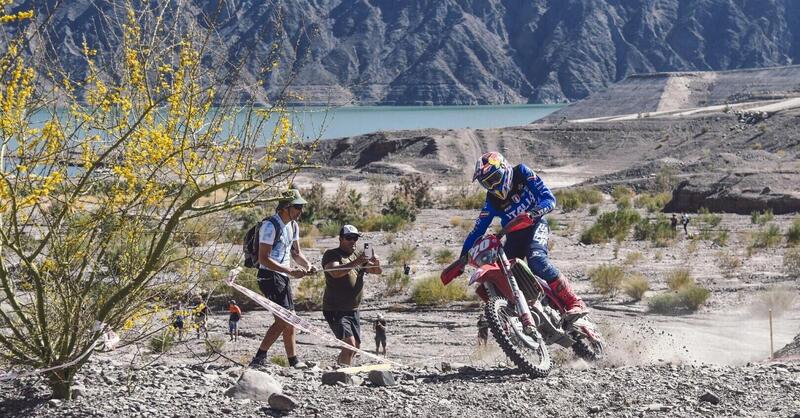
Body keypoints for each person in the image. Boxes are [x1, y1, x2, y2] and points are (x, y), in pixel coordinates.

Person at [459, 152, 587, 320]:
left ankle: (574, 302)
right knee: (501, 274)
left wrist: (533, 214)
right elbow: (477, 230)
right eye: (487, 183)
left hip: (535, 225)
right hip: (513, 235)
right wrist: (461, 259)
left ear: (505, 169)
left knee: (537, 259)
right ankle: (512, 318)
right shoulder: (492, 200)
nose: (493, 186)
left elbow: (549, 199)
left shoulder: (521, 173)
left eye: (495, 178)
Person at [250, 189, 314, 368]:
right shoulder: (270, 226)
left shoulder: (293, 226)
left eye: (301, 207)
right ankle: (259, 357)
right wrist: (291, 271)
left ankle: (293, 361)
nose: (301, 211)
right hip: (269, 276)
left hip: (283, 276)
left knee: (290, 319)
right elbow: (264, 258)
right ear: (286, 207)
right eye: (297, 207)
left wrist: (307, 265)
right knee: (284, 319)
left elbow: (296, 253)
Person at [322, 225, 382, 366]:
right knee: (349, 344)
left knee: (355, 347)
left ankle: (339, 367)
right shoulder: (332, 254)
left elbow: (376, 271)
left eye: (355, 238)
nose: (352, 241)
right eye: (349, 238)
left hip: (353, 309)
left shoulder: (359, 254)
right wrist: (358, 261)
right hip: (336, 308)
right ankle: (343, 374)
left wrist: (376, 263)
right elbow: (334, 272)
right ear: (341, 239)